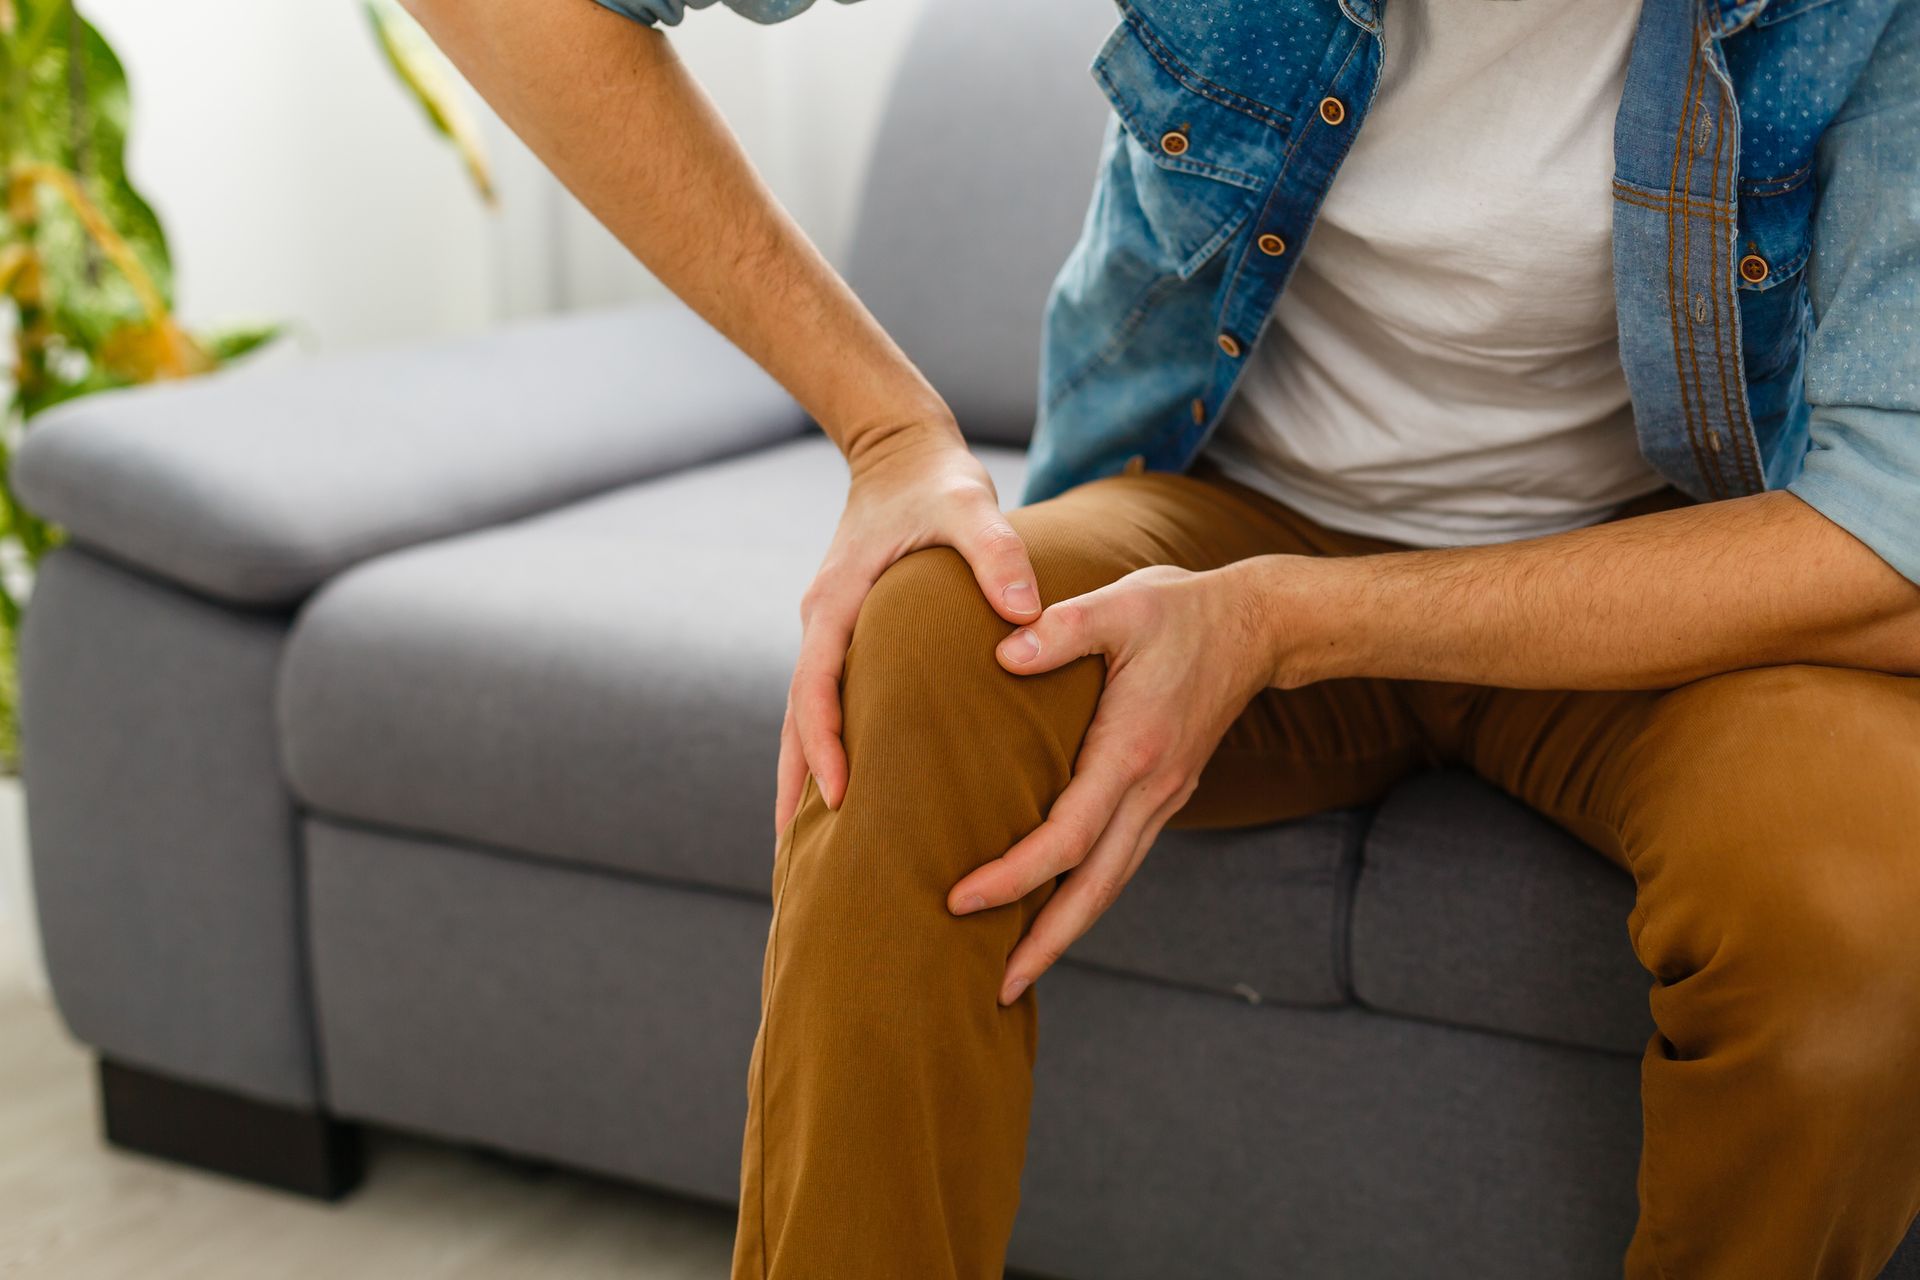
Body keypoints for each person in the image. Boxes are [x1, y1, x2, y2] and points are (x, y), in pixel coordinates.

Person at [403, 0, 1920, 1275]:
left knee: (1864, 897)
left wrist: (1291, 624)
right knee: (926, 634)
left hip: (1667, 590)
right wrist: (885, 428)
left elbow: (1885, 540)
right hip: (1227, 512)